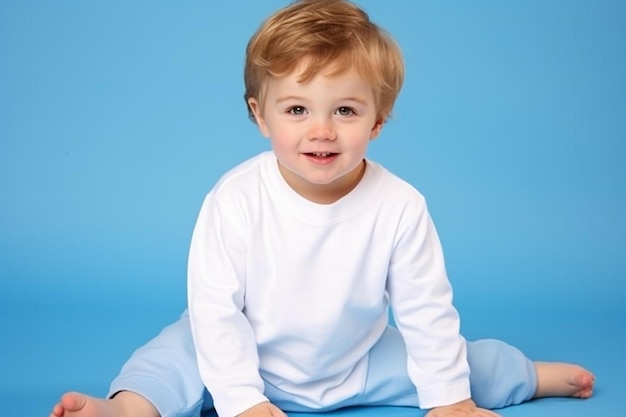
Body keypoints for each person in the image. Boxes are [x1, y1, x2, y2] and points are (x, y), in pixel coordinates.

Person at [50, 1, 595, 416]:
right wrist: (242, 400)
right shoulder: (236, 198)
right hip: (243, 354)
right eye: (296, 108)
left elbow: (426, 309)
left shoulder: (400, 205)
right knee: (175, 352)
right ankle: (125, 409)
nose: (321, 130)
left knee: (458, 361)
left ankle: (530, 374)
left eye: (345, 109)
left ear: (378, 121)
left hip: (355, 360)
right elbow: (216, 309)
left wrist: (449, 399)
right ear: (260, 116)